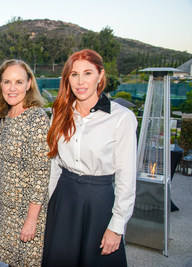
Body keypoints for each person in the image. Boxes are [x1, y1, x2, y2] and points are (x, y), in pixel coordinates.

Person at [42, 49, 137, 266]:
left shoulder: (122, 118)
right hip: (63, 200)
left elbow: (126, 177)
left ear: (100, 76)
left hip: (99, 202)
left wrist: (117, 225)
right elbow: (54, 165)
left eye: (88, 73)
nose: (80, 81)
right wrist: (49, 205)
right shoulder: (59, 113)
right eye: (74, 74)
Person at [0, 59, 50, 266]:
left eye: (18, 82)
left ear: (29, 83)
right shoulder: (7, 115)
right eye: (7, 82)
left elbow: (42, 174)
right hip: (6, 208)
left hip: (27, 210)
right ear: (0, 85)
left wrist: (31, 220)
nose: (12, 88)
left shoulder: (37, 118)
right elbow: (0, 155)